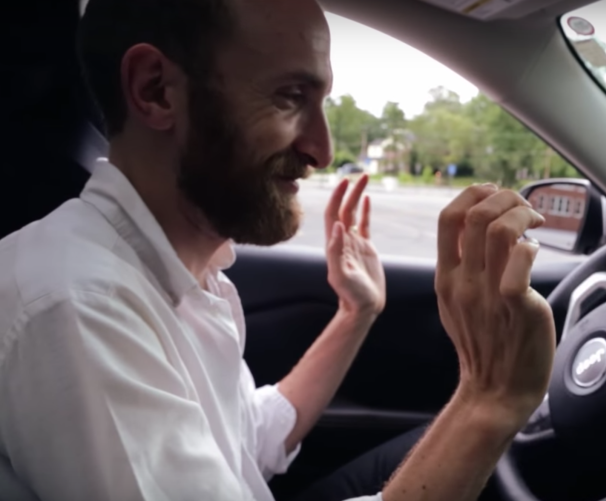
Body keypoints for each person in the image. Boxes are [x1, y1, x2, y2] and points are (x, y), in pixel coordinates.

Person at [0, 0, 556, 500]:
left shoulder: (184, 274)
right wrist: (488, 401)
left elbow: (252, 440)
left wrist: (355, 313)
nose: (323, 149)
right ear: (155, 90)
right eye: (291, 97)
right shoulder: (78, 304)